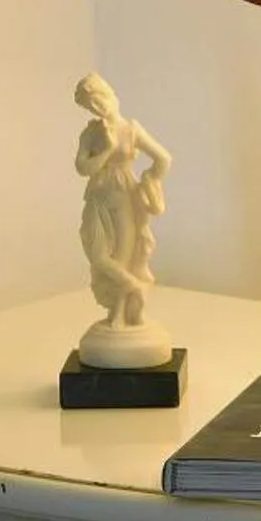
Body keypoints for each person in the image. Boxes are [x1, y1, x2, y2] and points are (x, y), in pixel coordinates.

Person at [75, 72, 170, 335]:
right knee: (97, 255)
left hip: (125, 200)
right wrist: (106, 149)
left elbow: (163, 158)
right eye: (90, 105)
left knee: (124, 257)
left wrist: (151, 180)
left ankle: (120, 315)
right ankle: (133, 286)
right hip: (97, 198)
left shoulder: (132, 130)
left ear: (113, 95)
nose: (98, 107)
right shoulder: (92, 133)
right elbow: (82, 167)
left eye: (100, 99)